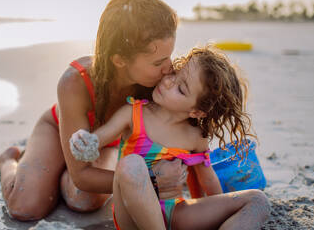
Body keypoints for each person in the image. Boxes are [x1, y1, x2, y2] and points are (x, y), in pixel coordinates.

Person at [0, 0, 188, 221]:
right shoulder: (75, 81)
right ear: (119, 60)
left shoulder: (159, 85)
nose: (169, 68)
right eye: (158, 61)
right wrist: (151, 179)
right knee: (24, 208)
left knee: (83, 199)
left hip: (108, 143)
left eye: (170, 56)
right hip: (57, 129)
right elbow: (82, 176)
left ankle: (59, 173)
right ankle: (7, 160)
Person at [70, 46, 271, 230]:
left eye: (181, 88)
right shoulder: (133, 113)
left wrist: (218, 210)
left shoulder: (195, 136)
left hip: (175, 212)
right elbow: (99, 138)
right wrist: (87, 141)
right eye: (175, 73)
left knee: (258, 200)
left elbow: (207, 180)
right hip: (132, 217)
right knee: (131, 164)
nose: (167, 82)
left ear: (197, 111)